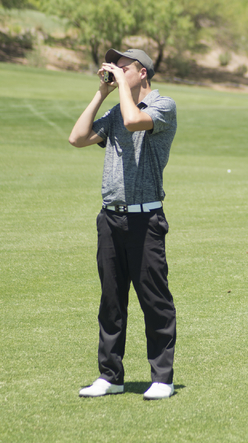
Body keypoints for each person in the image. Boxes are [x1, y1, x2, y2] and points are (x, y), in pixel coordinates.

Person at [69, 48, 178, 400]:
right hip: (110, 218)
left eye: (123, 67)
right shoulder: (116, 109)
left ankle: (162, 378)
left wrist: (120, 91)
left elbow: (134, 122)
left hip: (146, 219)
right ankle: (111, 376)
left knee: (154, 300)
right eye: (113, 67)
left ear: (142, 73)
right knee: (111, 302)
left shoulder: (163, 106)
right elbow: (78, 138)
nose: (116, 70)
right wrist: (102, 92)